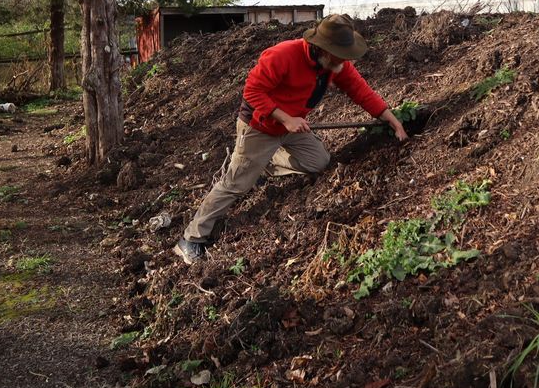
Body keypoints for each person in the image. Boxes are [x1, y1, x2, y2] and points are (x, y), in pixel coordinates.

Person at [174, 14, 408, 264]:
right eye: (343, 53)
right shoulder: (283, 55)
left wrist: (390, 119)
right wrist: (285, 118)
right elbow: (252, 91)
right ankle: (191, 237)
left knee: (318, 162)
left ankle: (263, 163)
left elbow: (360, 90)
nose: (347, 59)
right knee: (236, 183)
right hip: (260, 126)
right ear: (325, 50)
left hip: (292, 126)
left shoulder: (335, 65)